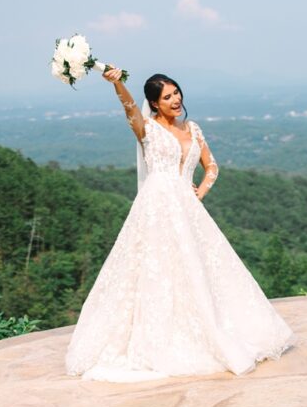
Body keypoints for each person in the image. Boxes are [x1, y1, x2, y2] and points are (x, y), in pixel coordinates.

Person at [65, 69, 295, 381]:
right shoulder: (146, 129)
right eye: (167, 97)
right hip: (156, 209)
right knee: (156, 271)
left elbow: (211, 165)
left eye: (176, 93)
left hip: (187, 210)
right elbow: (129, 108)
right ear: (155, 104)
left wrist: (200, 190)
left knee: (198, 271)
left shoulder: (193, 129)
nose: (176, 100)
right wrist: (118, 83)